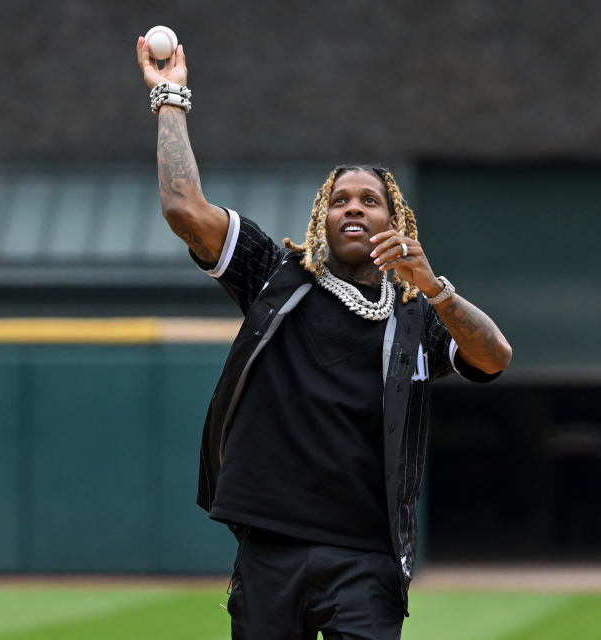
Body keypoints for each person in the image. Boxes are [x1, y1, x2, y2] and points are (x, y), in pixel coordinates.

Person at [137, 37, 512, 640]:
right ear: (322, 218)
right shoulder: (274, 278)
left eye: (371, 200)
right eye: (339, 200)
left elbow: (494, 357)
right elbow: (184, 208)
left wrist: (434, 287)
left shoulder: (416, 318)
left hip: (366, 561)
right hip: (270, 551)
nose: (353, 209)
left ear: (397, 222)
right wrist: (169, 98)